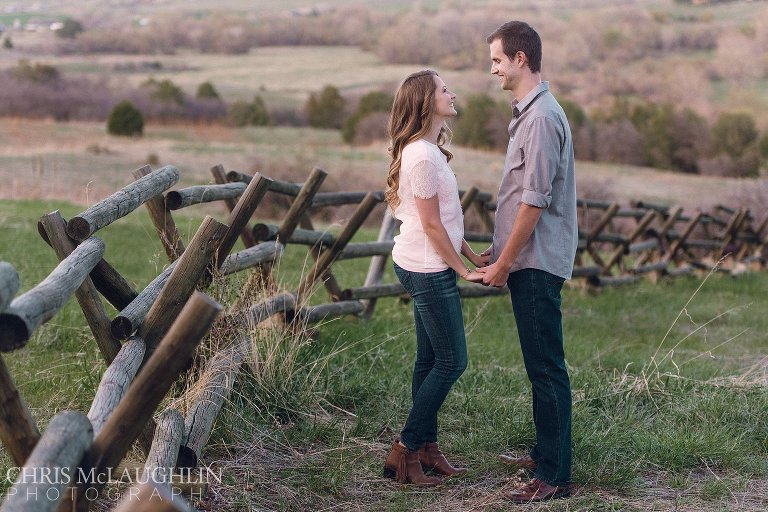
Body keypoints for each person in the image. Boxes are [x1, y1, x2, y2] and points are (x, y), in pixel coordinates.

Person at [477, 21, 578, 503]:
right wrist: (498, 251)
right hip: (527, 257)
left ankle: (554, 476)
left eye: (497, 60)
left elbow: (534, 202)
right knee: (540, 365)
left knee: (546, 368)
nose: (493, 69)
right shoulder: (530, 113)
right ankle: (544, 454)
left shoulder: (540, 119)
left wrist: (505, 263)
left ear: (521, 59)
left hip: (535, 262)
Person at [382, 69, 486, 487]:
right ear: (427, 101)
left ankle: (426, 448)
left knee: (429, 361)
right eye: (444, 89)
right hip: (427, 268)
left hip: (425, 262)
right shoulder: (422, 156)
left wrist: (470, 253)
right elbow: (429, 224)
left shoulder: (426, 150)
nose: (452, 93)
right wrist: (462, 269)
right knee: (452, 361)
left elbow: (444, 218)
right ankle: (405, 448)